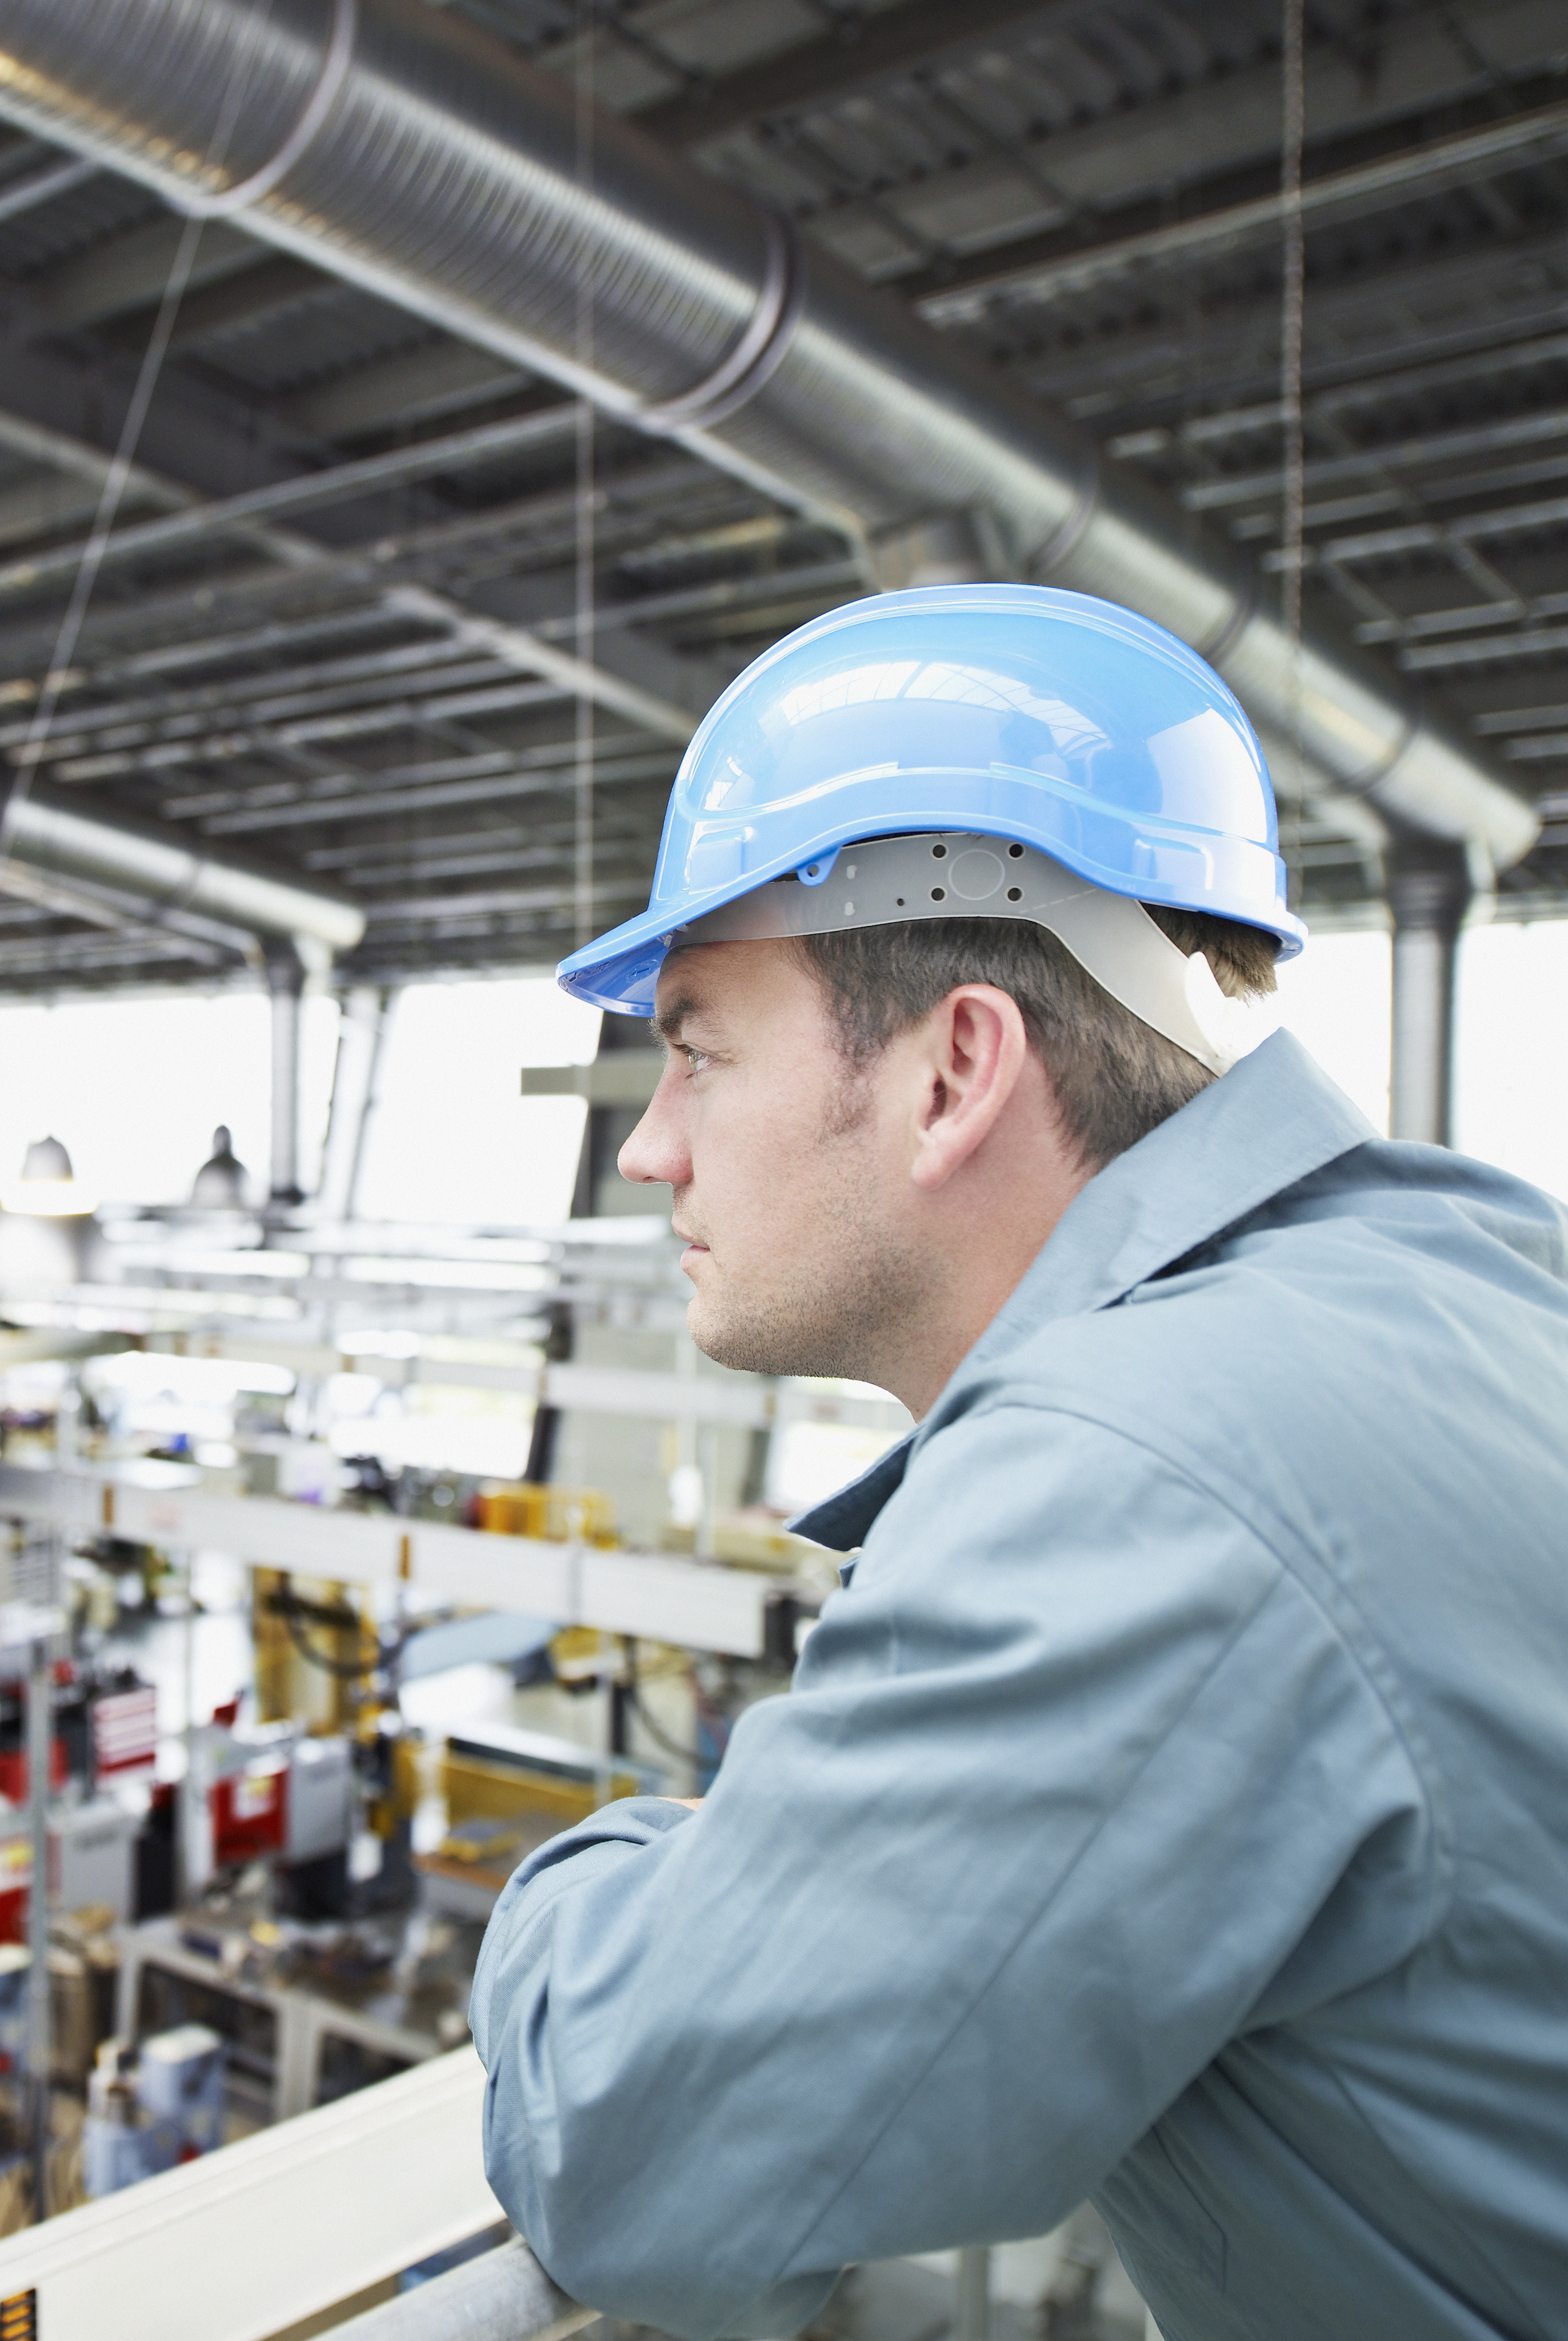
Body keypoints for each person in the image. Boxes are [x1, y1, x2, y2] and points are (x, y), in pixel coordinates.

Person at [468, 585, 1568, 2340]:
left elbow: (625, 2138)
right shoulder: (1474, 1269)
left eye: (690, 1044)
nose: (650, 1149)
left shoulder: (1143, 1467)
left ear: (955, 1066)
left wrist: (589, 1876)